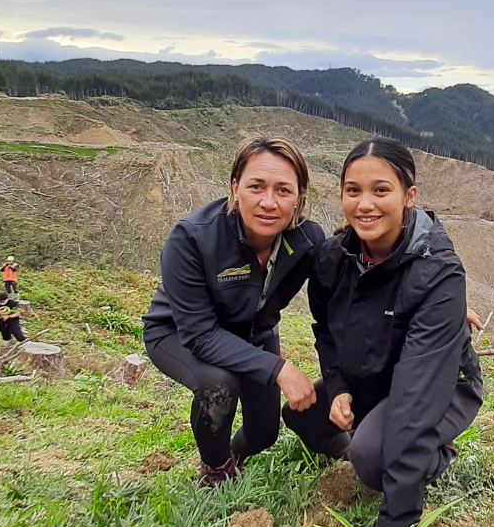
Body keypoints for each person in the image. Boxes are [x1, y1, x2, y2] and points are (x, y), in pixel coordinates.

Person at [284, 138, 484, 527]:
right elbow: (325, 331)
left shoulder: (438, 273)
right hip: (372, 379)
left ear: (408, 196)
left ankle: (433, 453)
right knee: (301, 416)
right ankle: (367, 433)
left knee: (373, 459)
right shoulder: (334, 259)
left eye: (381, 190)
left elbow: (416, 396)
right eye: (353, 191)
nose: (365, 204)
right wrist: (337, 389)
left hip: (435, 387)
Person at [142, 136, 346, 486]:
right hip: (179, 334)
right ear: (235, 188)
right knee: (218, 384)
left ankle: (232, 457)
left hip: (254, 334)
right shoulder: (192, 238)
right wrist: (280, 369)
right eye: (256, 186)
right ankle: (216, 472)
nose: (269, 202)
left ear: (299, 196)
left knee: (263, 433)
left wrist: (426, 300)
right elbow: (200, 334)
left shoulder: (307, 240)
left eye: (284, 190)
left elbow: (350, 279)